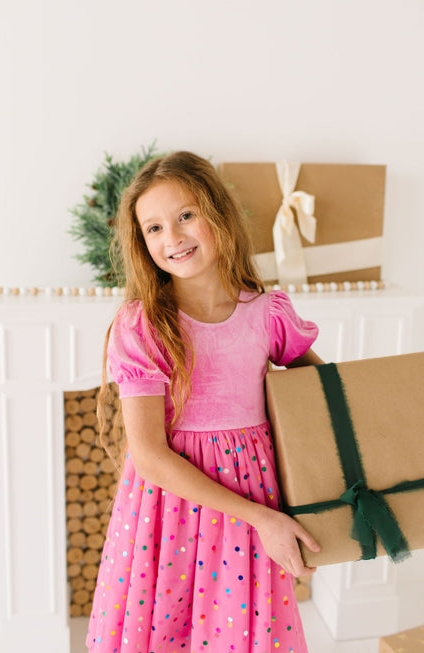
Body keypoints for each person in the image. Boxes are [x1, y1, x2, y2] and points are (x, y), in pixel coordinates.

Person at [86, 151, 323, 653]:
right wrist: (264, 519)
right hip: (167, 514)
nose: (172, 238)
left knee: (239, 638)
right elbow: (149, 457)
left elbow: (327, 399)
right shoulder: (144, 325)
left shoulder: (268, 314)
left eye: (185, 215)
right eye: (153, 228)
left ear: (217, 212)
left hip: (251, 521)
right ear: (141, 242)